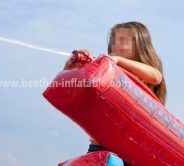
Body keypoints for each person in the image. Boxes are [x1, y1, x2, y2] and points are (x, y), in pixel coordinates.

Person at [63, 21, 167, 165]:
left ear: (140, 45)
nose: (116, 45)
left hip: (132, 148)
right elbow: (71, 91)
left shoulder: (141, 75)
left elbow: (156, 77)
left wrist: (118, 60)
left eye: (123, 41)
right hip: (99, 147)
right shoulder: (105, 72)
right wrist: (72, 69)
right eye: (114, 41)